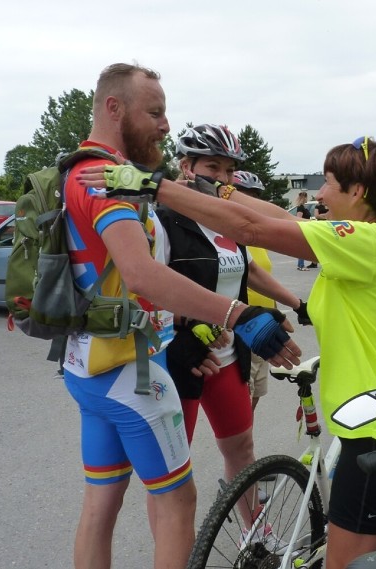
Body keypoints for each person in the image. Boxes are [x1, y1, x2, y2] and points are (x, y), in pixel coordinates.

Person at [77, 135, 376, 569]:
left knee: (345, 560)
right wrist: (217, 189)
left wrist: (152, 184)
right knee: (367, 545)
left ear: (356, 193)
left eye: (329, 183)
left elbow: (252, 228)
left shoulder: (360, 241)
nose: (319, 193)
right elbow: (275, 216)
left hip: (375, 432)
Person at [59, 63, 300, 569]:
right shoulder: (108, 178)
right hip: (133, 372)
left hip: (89, 365)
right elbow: (143, 273)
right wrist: (239, 315)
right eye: (155, 112)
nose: (165, 125)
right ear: (114, 108)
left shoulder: (80, 170)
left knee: (100, 503)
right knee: (177, 503)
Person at [159, 125, 307, 491]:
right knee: (174, 470)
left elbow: (249, 269)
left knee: (242, 452)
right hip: (183, 356)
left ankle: (256, 536)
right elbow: (145, 286)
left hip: (228, 352)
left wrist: (298, 303)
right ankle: (181, 545)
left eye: (229, 170)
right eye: (213, 168)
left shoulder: (223, 218)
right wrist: (179, 333)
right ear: (186, 165)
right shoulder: (163, 218)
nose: (224, 179)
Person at [231, 170, 284, 409]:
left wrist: (277, 314)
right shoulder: (227, 234)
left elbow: (263, 278)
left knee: (256, 394)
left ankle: (246, 444)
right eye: (244, 196)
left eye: (254, 197)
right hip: (243, 325)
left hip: (264, 323)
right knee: (243, 397)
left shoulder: (255, 237)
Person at [307, 197, 330, 268]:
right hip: (320, 226)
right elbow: (316, 216)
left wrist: (323, 216)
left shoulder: (329, 205)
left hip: (329, 226)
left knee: (327, 245)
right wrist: (325, 216)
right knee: (317, 244)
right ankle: (314, 262)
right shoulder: (318, 206)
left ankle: (328, 261)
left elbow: (332, 215)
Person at [293, 191, 312, 270]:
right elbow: (299, 218)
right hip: (303, 228)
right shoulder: (300, 207)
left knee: (303, 247)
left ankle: (300, 265)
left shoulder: (303, 207)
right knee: (302, 247)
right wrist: (310, 222)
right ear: (304, 198)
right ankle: (301, 265)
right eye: (306, 197)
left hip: (306, 228)